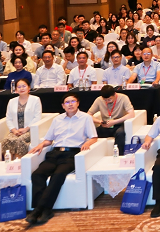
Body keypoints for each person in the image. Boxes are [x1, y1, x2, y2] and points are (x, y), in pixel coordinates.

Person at [26, 93, 98, 225]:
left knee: (58, 175)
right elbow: (49, 139)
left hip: (71, 154)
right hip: (54, 153)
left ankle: (40, 210)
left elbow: (94, 137)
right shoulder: (57, 119)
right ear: (63, 106)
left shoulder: (86, 118)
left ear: (78, 103)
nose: (70, 104)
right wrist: (41, 145)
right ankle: (41, 210)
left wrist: (87, 143)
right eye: (67, 102)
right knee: (37, 174)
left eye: (73, 101)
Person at [87, 85, 135, 155]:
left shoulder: (123, 98)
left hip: (119, 124)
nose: (107, 101)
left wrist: (114, 122)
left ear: (115, 94)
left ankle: (118, 155)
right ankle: (94, 155)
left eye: (109, 99)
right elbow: (88, 115)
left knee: (120, 133)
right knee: (93, 133)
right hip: (105, 125)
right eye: (105, 100)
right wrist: (100, 122)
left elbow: (131, 114)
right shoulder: (99, 100)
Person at [2, 78, 41, 159]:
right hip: (15, 131)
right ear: (16, 89)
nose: (21, 88)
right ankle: (8, 162)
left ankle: (20, 162)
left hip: (29, 130)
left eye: (24, 86)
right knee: (6, 140)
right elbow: (8, 118)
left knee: (19, 140)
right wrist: (14, 130)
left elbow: (37, 117)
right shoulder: (11, 101)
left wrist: (26, 129)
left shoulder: (35, 99)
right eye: (19, 87)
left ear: (29, 87)